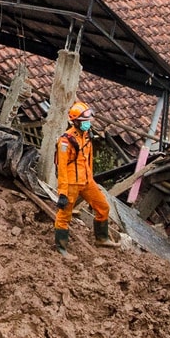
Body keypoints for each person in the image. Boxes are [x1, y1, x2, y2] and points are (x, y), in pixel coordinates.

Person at [53, 101, 114, 253]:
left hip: (87, 181)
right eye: (84, 121)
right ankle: (61, 247)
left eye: (88, 121)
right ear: (75, 122)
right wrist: (62, 193)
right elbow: (61, 169)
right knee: (64, 216)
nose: (88, 124)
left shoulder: (86, 137)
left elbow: (88, 160)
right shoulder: (65, 142)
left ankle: (101, 238)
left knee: (103, 207)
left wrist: (91, 179)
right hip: (71, 183)